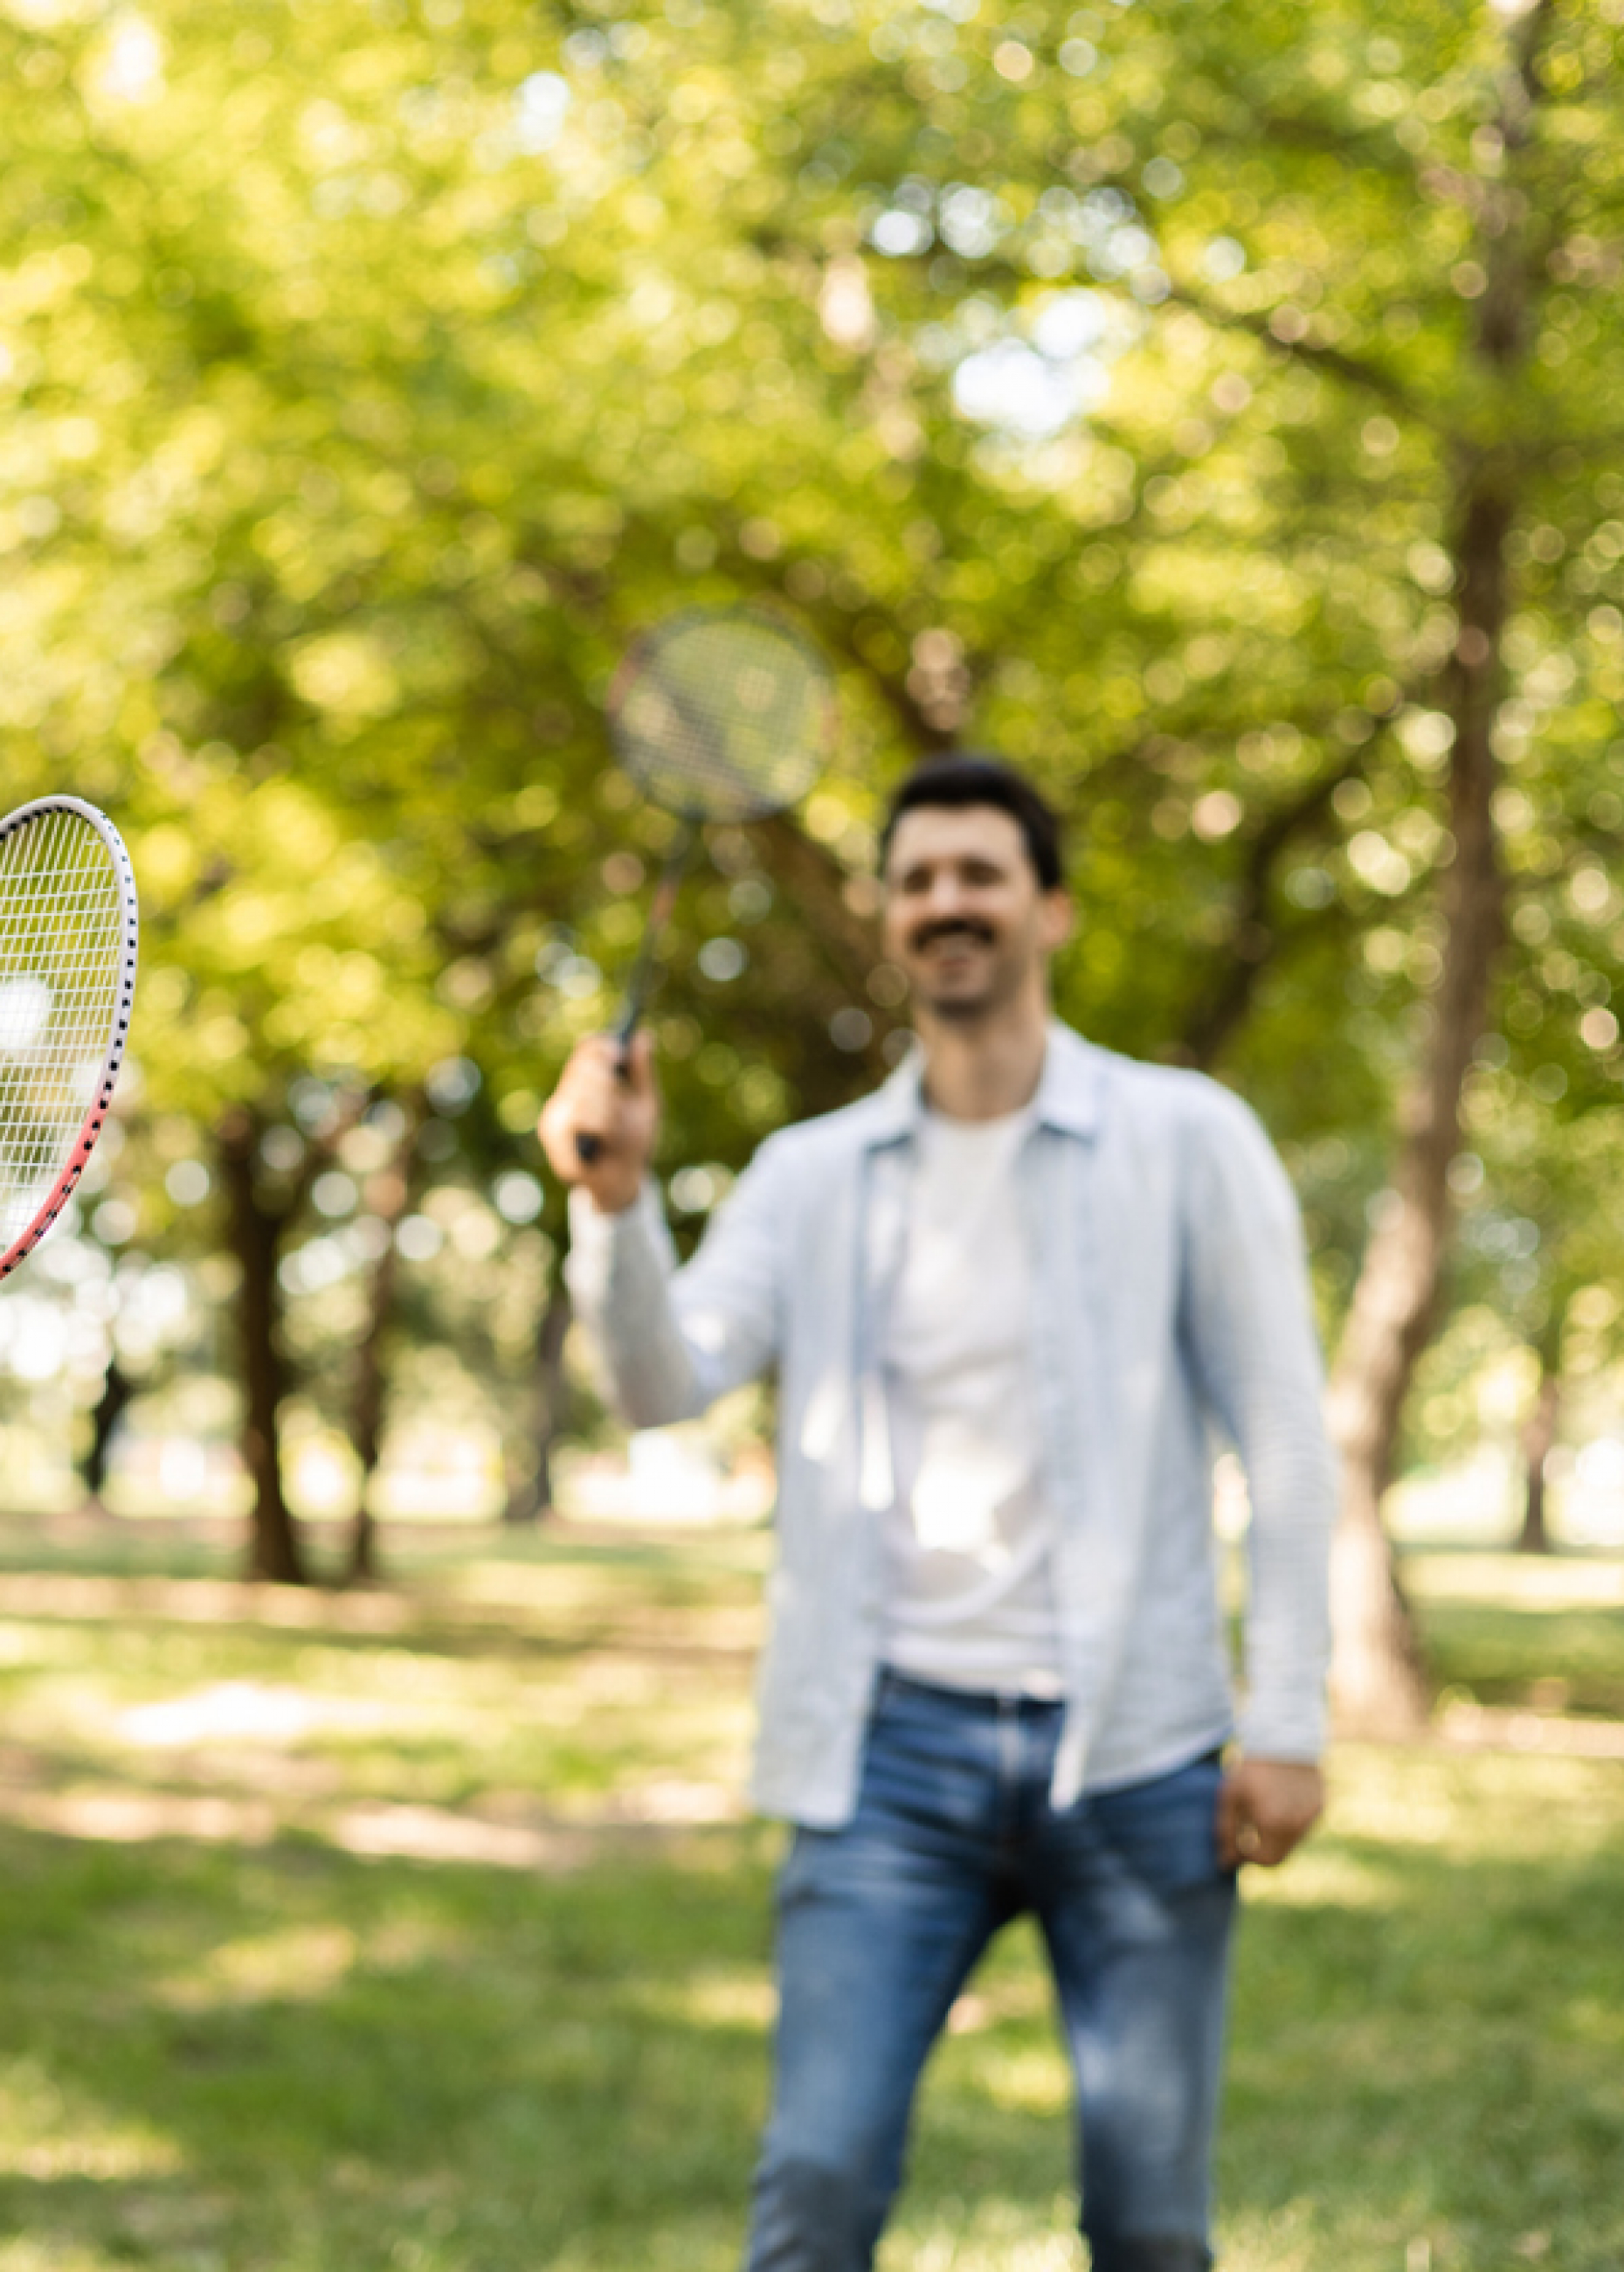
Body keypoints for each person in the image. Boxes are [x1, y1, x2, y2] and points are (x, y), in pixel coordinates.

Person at [537, 754, 1332, 2272]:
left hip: (1145, 1752)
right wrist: (618, 1201)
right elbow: (657, 1381)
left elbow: (1285, 1442)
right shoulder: (811, 1174)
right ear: (889, 922)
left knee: (1151, 2221)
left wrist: (1285, 1714)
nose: (946, 903)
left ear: (1051, 909)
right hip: (888, 1754)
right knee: (817, 2188)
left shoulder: (1188, 1140)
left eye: (979, 874)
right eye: (916, 881)